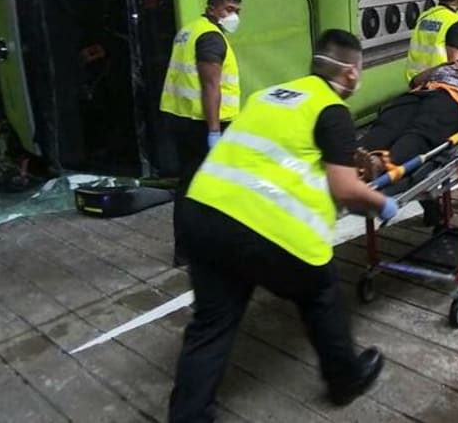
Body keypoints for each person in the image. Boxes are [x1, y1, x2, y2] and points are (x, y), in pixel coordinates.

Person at [168, 30, 396, 421]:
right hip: (263, 228)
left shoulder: (269, 95)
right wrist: (383, 204)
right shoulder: (331, 110)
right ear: (351, 73)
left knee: (212, 323)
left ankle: (188, 415)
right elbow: (345, 189)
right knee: (320, 292)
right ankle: (345, 379)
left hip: (203, 213)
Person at [357, 59, 458, 225]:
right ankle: (359, 157)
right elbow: (415, 82)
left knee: (423, 130)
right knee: (389, 121)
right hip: (423, 92)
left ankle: (382, 164)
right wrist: (444, 66)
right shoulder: (450, 67)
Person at [159, 0, 243, 267]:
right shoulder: (210, 37)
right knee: (210, 187)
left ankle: (186, 250)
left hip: (180, 116)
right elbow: (210, 86)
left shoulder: (189, 30)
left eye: (237, 11)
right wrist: (214, 131)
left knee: (189, 184)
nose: (234, 16)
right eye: (229, 10)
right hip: (202, 123)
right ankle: (206, 247)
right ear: (212, 8)